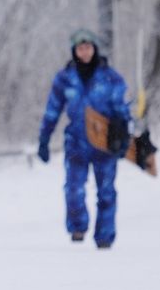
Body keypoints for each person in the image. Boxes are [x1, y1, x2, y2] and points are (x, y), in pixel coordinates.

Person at [37, 28, 132, 249]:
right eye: (80, 48)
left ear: (95, 49)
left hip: (104, 142)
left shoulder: (110, 77)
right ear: (74, 51)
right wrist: (44, 138)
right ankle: (78, 227)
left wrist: (123, 136)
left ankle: (105, 236)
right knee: (73, 189)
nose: (85, 52)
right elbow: (53, 110)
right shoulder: (65, 78)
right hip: (76, 142)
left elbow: (122, 110)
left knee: (106, 191)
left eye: (88, 47)